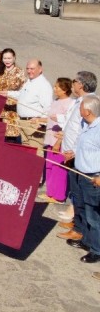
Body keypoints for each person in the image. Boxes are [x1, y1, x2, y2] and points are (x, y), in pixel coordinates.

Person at [56, 71, 98, 240]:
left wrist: (73, 151)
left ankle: (80, 230)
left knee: (81, 197)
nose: (72, 84)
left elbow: (85, 132)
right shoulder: (80, 101)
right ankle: (77, 223)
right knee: (76, 193)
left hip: (79, 158)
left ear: (81, 84)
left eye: (74, 82)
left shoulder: (90, 104)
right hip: (73, 153)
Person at [61, 95, 100, 264]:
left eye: (81, 107)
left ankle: (96, 250)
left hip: (93, 178)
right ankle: (86, 240)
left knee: (93, 216)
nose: (79, 110)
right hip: (80, 172)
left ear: (88, 111)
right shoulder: (86, 124)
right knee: (82, 208)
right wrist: (74, 153)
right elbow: (84, 146)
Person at [38, 77, 73, 203]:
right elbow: (50, 118)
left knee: (59, 169)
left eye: (57, 87)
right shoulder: (56, 101)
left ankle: (58, 196)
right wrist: (39, 120)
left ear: (64, 89)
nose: (55, 89)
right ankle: (50, 193)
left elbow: (67, 124)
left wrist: (58, 142)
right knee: (50, 167)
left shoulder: (69, 104)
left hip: (58, 141)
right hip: (50, 138)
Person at [4, 59, 52, 149]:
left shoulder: (44, 85)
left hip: (34, 124)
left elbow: (48, 107)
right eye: (28, 69)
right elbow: (21, 95)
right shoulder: (30, 81)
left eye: (32, 69)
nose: (29, 71)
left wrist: (41, 123)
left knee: (36, 151)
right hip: (23, 122)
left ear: (40, 69)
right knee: (26, 151)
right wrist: (7, 93)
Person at [0, 48, 25, 142]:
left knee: (9, 139)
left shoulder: (19, 72)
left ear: (14, 58)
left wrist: (9, 94)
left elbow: (23, 92)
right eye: (5, 58)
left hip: (11, 111)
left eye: (9, 58)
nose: (7, 61)